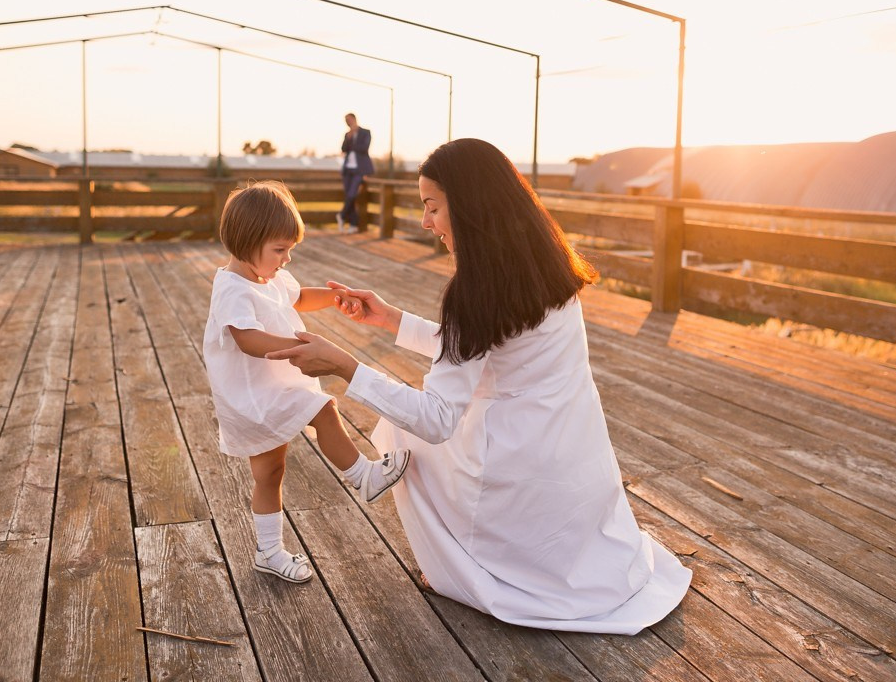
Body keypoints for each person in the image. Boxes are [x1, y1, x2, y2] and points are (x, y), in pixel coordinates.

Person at [268, 139, 692, 634]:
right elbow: (484, 347)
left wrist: (345, 365)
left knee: (402, 435)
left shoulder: (475, 293)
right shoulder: (546, 267)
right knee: (414, 423)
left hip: (517, 475)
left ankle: (460, 568)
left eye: (431, 206)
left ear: (467, 205)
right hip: (575, 465)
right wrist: (391, 319)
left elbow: (435, 419)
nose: (426, 221)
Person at [203, 180, 410, 584]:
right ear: (248, 242)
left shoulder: (270, 278)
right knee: (317, 416)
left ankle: (269, 552)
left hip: (276, 387)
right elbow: (246, 339)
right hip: (252, 396)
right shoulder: (231, 287)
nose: (287, 258)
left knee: (272, 471)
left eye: (289, 249)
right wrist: (299, 347)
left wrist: (334, 297)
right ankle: (362, 477)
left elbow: (297, 298)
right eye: (279, 250)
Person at [337, 112, 374, 233]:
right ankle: (353, 224)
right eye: (345, 121)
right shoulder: (347, 134)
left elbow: (364, 148)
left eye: (349, 120)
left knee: (352, 194)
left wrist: (352, 142)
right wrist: (349, 138)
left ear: (354, 119)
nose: (347, 123)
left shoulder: (365, 132)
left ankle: (342, 215)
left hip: (360, 170)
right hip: (347, 169)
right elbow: (343, 149)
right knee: (349, 196)